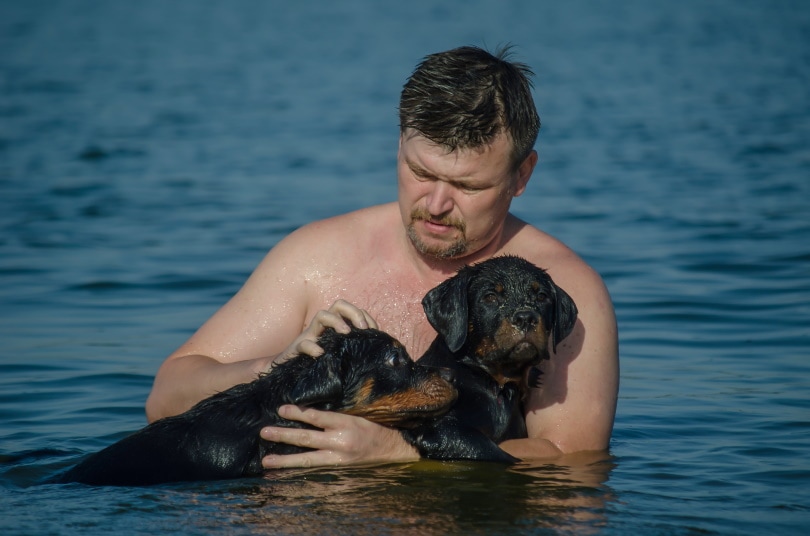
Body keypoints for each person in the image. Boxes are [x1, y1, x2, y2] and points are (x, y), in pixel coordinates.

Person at [145, 45, 619, 468]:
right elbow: (164, 399)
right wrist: (271, 366)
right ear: (398, 144)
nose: (435, 204)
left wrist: (400, 455)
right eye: (420, 172)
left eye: (467, 186)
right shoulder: (315, 258)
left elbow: (573, 461)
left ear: (522, 175)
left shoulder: (559, 292)